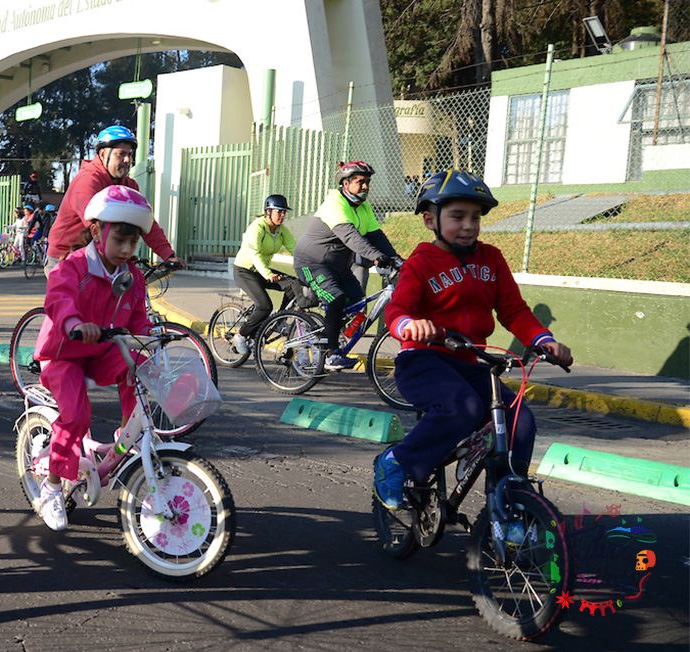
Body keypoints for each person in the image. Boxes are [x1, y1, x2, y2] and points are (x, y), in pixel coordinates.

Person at [373, 170, 574, 511]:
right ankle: (397, 461)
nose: (468, 225)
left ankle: (507, 499)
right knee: (463, 407)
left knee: (519, 420)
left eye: (475, 218)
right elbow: (398, 309)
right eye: (457, 216)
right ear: (429, 220)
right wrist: (410, 324)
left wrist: (544, 339)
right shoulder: (421, 262)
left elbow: (513, 310)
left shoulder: (491, 258)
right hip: (424, 361)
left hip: (471, 363)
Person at [32, 185, 155, 531]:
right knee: (75, 414)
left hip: (102, 352)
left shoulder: (132, 277)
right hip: (63, 354)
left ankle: (130, 436)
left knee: (141, 367)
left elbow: (137, 322)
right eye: (120, 240)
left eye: (134, 243)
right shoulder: (72, 268)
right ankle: (52, 488)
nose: (127, 250)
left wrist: (151, 337)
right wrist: (74, 324)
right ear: (97, 230)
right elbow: (59, 300)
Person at [293, 160, 402, 371]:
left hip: (337, 267)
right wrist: (378, 257)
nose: (366, 186)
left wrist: (396, 258)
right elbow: (352, 238)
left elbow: (376, 236)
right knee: (336, 298)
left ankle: (328, 334)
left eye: (368, 182)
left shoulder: (364, 207)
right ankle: (331, 353)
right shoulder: (335, 204)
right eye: (360, 182)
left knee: (358, 301)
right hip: (311, 262)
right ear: (345, 184)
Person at [45, 126, 183, 276]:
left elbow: (146, 222)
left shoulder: (128, 185)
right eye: (121, 154)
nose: (127, 160)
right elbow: (96, 225)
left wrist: (168, 255)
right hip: (66, 257)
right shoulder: (87, 181)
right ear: (103, 154)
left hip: (104, 255)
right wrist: (124, 251)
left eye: (130, 155)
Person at [229, 194, 298, 355]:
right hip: (244, 270)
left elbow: (296, 250)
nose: (282, 215)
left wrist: (311, 265)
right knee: (265, 306)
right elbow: (254, 253)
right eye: (278, 212)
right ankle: (240, 335)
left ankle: (279, 322)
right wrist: (267, 273)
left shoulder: (282, 231)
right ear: (268, 212)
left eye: (284, 212)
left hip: (262, 271)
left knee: (293, 285)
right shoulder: (257, 227)